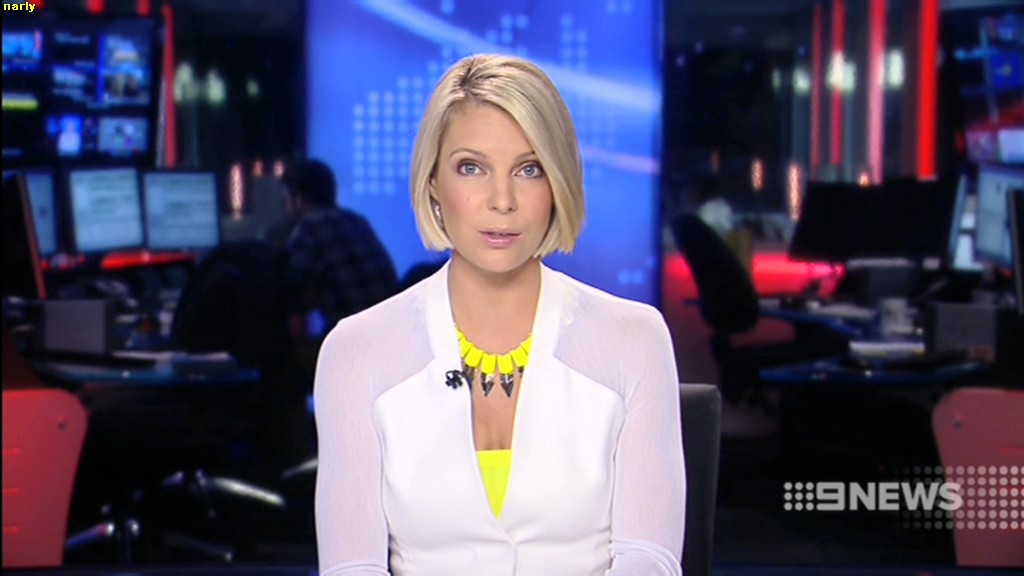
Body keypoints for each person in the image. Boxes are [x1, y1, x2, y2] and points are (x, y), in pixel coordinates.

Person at [314, 54, 685, 575]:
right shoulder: (355, 351)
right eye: (472, 168)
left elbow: (650, 557)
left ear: (557, 183)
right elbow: (352, 567)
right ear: (433, 183)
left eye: (529, 169)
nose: (502, 200)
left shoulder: (635, 339)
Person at [280, 159, 399, 337]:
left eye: (285, 198)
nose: (284, 207)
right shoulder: (356, 221)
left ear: (298, 197)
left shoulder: (309, 228)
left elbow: (291, 297)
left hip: (355, 340)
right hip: (394, 332)